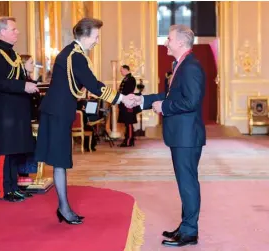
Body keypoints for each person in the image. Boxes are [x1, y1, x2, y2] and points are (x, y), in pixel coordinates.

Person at [35, 17, 133, 224]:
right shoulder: (75, 56)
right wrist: (121, 98)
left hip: (58, 111)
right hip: (57, 113)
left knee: (60, 162)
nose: (97, 41)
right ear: (85, 35)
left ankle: (64, 207)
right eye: (96, 37)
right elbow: (94, 85)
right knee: (60, 161)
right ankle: (64, 208)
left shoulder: (72, 52)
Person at [126, 24, 206, 247]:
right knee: (185, 183)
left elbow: (191, 101)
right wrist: (142, 100)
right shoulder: (182, 64)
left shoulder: (190, 67)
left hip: (187, 137)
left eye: (169, 39)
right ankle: (186, 226)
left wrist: (165, 107)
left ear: (180, 42)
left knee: (188, 184)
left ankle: (190, 231)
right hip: (182, 136)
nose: (165, 43)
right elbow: (169, 95)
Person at [0, 16, 39, 202]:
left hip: (17, 111)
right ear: (2, 32)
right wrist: (23, 86)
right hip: (6, 112)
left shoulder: (13, 55)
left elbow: (16, 78)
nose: (17, 32)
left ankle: (14, 187)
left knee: (15, 150)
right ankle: (3, 190)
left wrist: (28, 78)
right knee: (5, 150)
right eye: (13, 29)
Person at [118, 65, 137, 147]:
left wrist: (121, 96)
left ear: (126, 70)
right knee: (127, 122)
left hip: (128, 103)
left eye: (121, 70)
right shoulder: (126, 78)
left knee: (129, 122)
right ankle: (127, 139)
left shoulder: (131, 79)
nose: (120, 72)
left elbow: (127, 91)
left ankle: (129, 140)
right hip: (124, 102)